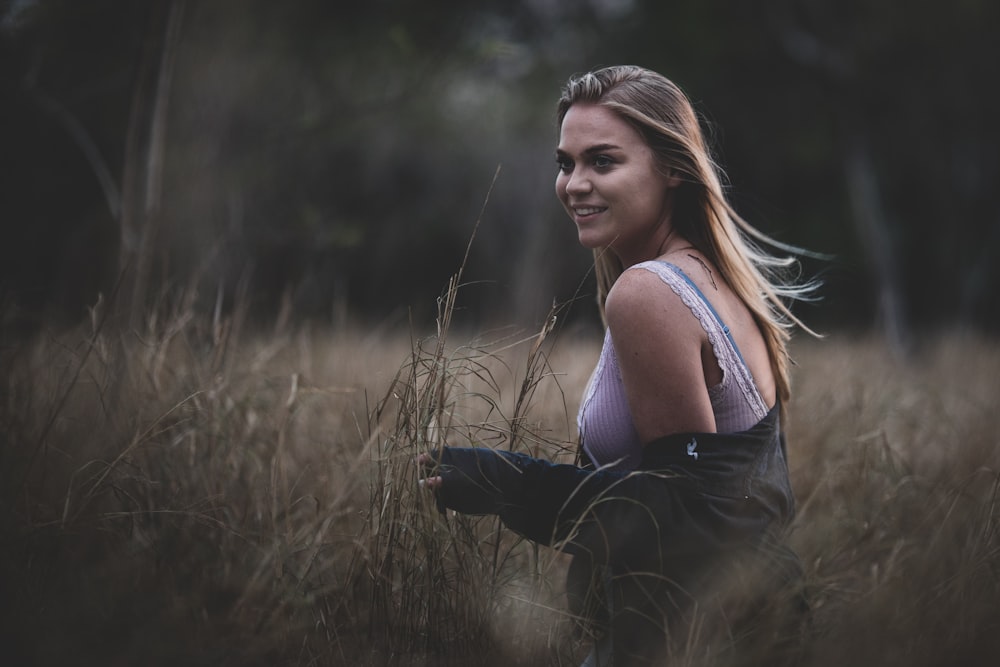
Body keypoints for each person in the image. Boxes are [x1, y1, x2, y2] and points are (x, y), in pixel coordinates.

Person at [418, 65, 816, 666]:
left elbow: (674, 514)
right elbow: (720, 497)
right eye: (565, 163)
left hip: (691, 637)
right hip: (738, 620)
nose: (575, 184)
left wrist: (504, 482)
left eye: (602, 162)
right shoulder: (714, 281)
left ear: (674, 168)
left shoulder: (649, 293)